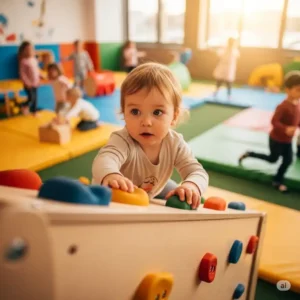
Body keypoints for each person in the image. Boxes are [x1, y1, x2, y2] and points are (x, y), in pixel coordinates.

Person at [92, 62, 209, 209]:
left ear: (174, 116)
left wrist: (192, 186)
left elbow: (197, 171)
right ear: (124, 113)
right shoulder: (122, 140)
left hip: (150, 190)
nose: (146, 122)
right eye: (135, 112)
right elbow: (104, 159)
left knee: (173, 188)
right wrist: (111, 175)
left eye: (157, 112)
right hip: (110, 199)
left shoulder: (175, 143)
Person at [239, 72, 300, 193]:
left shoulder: (297, 104)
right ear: (288, 90)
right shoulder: (283, 106)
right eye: (298, 90)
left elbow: (297, 119)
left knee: (288, 160)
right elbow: (274, 121)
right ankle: (250, 153)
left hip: (287, 140)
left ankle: (277, 180)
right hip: (276, 139)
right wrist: (285, 129)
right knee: (273, 159)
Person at [18, 40, 40, 116]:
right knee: (31, 98)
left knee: (35, 98)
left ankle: (34, 111)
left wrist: (39, 79)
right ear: (23, 51)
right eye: (27, 50)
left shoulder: (34, 59)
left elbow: (37, 71)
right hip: (28, 84)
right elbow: (22, 73)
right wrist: (27, 83)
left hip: (35, 83)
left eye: (31, 49)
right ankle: (23, 105)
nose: (29, 51)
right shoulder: (24, 61)